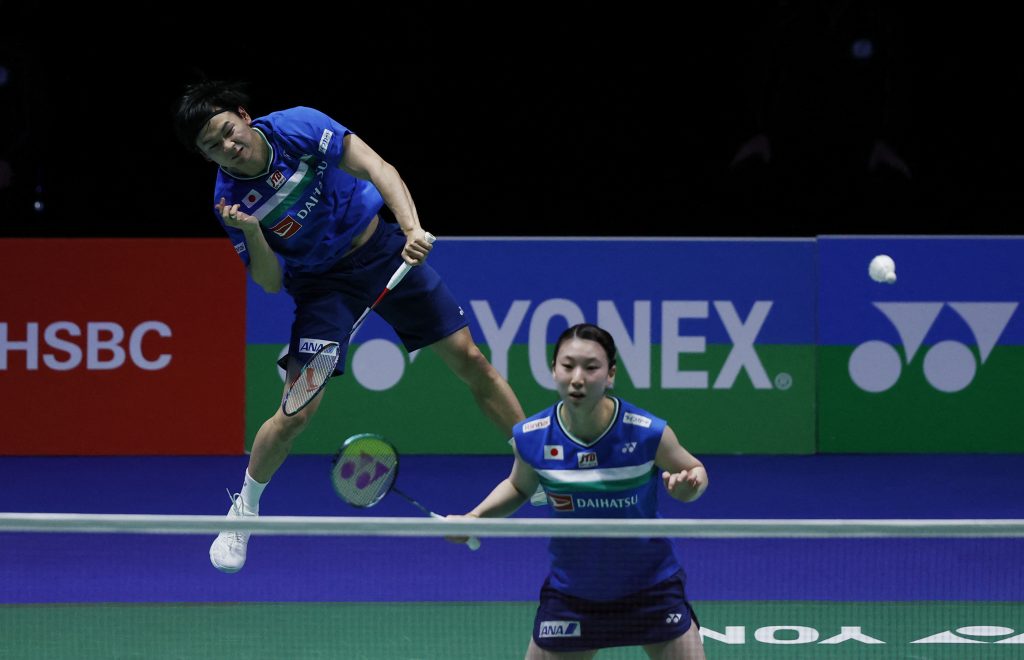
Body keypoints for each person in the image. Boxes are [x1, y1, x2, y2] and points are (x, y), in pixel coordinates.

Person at [172, 80, 525, 573]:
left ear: (243, 115)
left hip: (380, 251)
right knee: (295, 413)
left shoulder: (298, 126)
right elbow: (271, 283)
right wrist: (252, 231)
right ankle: (243, 511)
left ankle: (537, 462)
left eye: (229, 132)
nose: (228, 147)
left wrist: (411, 228)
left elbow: (377, 167)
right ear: (205, 155)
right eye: (213, 146)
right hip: (321, 289)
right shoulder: (230, 202)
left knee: (469, 358)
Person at [450, 323, 708, 659]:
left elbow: (694, 471)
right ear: (553, 370)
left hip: (651, 588)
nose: (577, 378)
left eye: (591, 367)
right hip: (574, 595)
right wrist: (475, 517)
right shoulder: (533, 436)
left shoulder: (646, 433)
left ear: (610, 374)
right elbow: (518, 486)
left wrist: (688, 488)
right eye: (568, 366)